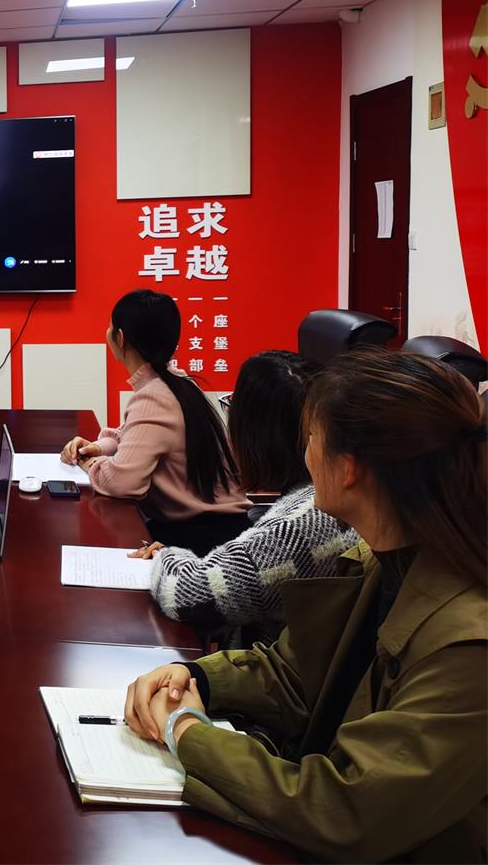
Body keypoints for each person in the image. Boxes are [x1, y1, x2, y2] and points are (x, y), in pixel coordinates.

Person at [122, 348, 486, 862]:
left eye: (311, 437)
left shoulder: (467, 643)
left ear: (350, 468)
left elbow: (344, 812)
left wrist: (184, 730)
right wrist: (194, 678)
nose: (306, 454)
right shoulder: (377, 560)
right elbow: (293, 674)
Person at [129, 350, 356, 643]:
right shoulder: (329, 499)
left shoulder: (307, 520)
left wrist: (166, 556)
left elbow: (188, 595)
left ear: (258, 434)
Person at [60, 290, 249, 554]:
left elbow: (122, 482)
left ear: (120, 337)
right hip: (219, 527)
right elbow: (132, 436)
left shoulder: (153, 398)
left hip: (201, 540)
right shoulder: (179, 383)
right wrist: (99, 447)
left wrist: (89, 463)